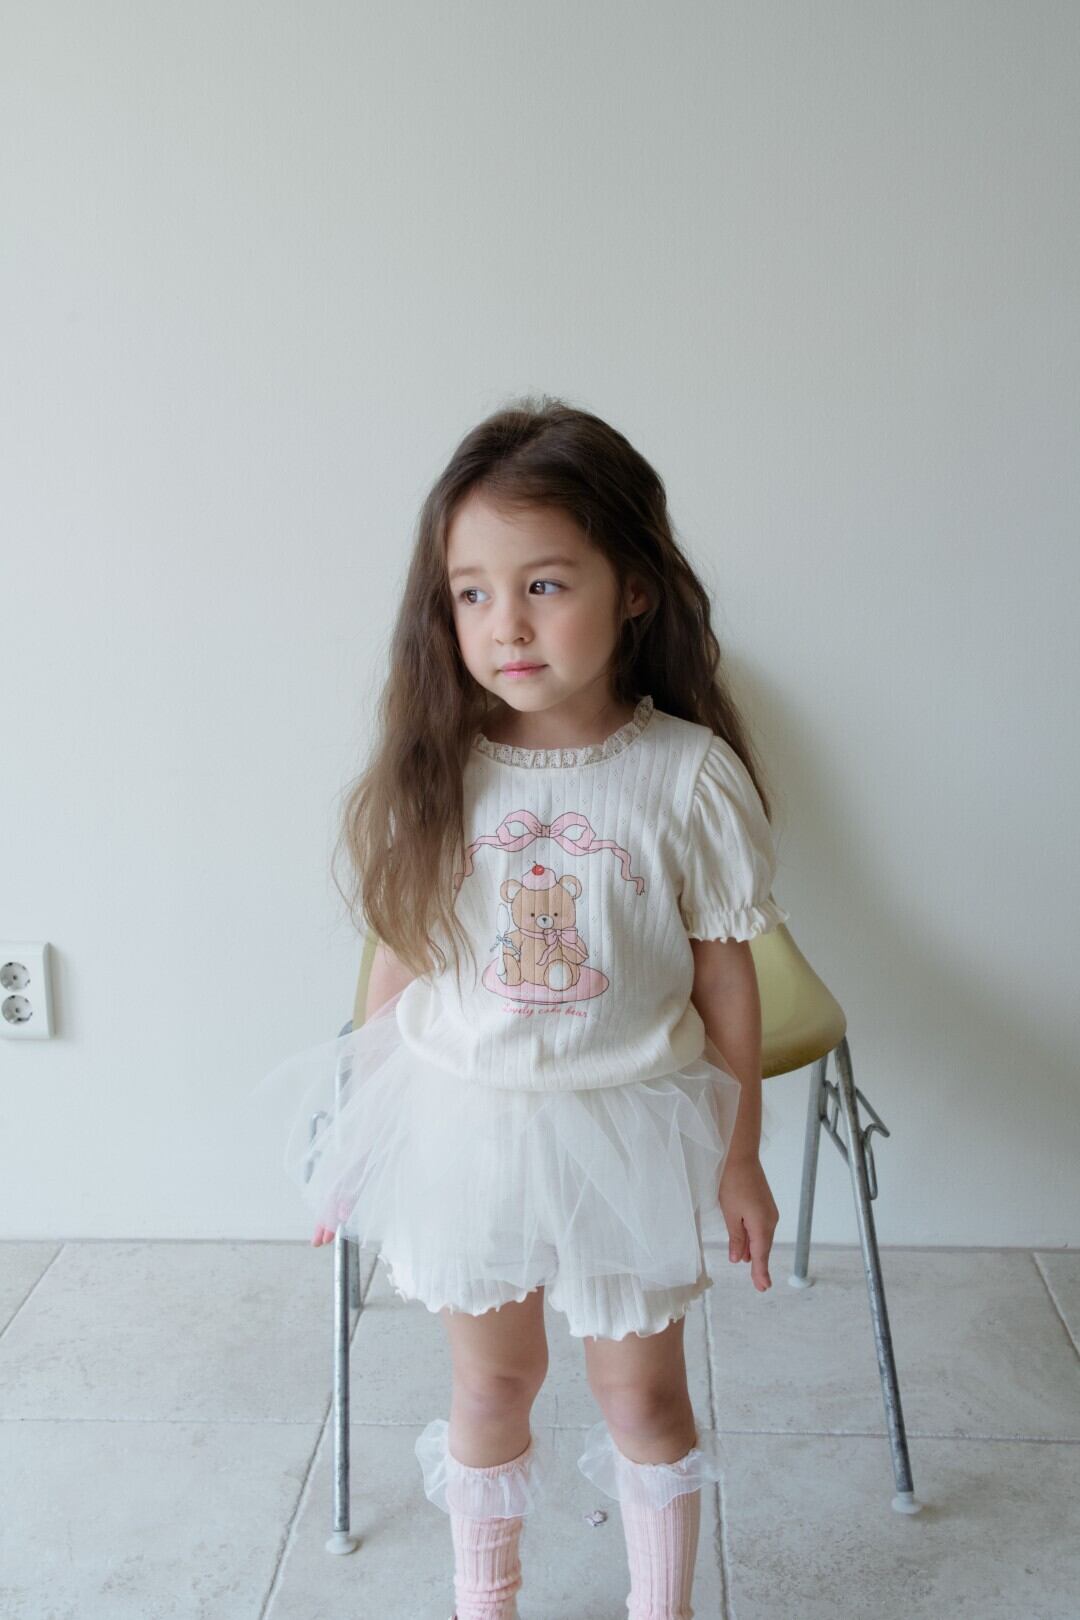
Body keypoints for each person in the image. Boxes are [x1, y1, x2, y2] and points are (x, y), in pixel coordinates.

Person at [257, 395, 790, 1620]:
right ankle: (483, 1602)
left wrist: (741, 1152)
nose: (506, 624)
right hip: (469, 1127)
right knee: (492, 1388)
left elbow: (725, 971)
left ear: (634, 587)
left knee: (641, 1395)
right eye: (472, 593)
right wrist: (358, 1127)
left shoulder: (687, 777)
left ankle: (664, 1605)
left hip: (631, 1122)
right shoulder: (440, 770)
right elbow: (403, 956)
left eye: (545, 584)